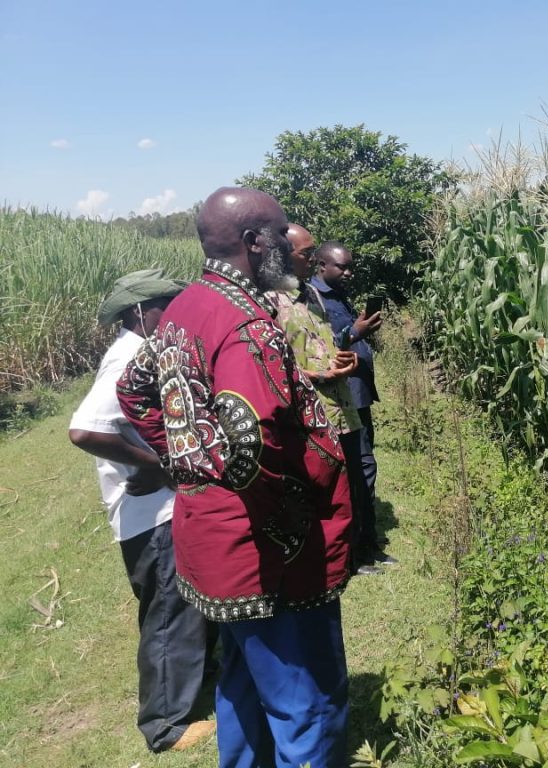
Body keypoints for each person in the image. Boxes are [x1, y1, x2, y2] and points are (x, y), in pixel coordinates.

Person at [117, 187, 353, 768]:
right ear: (254, 243)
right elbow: (253, 441)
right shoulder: (245, 322)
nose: (288, 245)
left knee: (243, 680)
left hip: (211, 536)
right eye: (280, 235)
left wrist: (185, 459)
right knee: (306, 699)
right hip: (266, 551)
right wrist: (290, 510)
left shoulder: (186, 306)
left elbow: (136, 389)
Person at [68, 269, 215, 753]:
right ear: (139, 312)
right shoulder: (128, 356)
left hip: (163, 508)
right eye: (165, 306)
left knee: (186, 603)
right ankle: (165, 724)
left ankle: (196, 683)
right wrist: (160, 465)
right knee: (170, 610)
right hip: (150, 516)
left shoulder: (146, 349)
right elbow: (86, 429)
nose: (174, 313)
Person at [266, 225, 381, 576]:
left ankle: (358, 552)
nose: (313, 259)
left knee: (355, 480)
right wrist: (318, 376)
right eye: (306, 253)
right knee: (324, 487)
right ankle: (333, 561)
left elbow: (326, 342)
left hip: (342, 406)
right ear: (283, 255)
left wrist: (342, 357)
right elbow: (271, 364)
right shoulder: (269, 301)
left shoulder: (312, 296)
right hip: (310, 412)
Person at [311, 242, 395, 568]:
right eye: (342, 267)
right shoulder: (314, 299)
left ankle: (366, 541)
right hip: (343, 399)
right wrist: (355, 333)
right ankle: (358, 549)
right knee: (359, 469)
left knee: (364, 467)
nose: (349, 273)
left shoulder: (338, 295)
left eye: (350, 267)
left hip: (358, 396)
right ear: (321, 265)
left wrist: (359, 329)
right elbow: (320, 347)